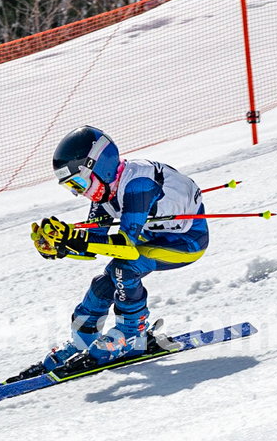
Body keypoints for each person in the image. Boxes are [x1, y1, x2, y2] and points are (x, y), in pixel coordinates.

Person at [16, 125, 209, 378]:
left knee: (124, 269)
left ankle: (132, 335)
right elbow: (93, 245)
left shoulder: (138, 184)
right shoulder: (104, 195)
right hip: (152, 238)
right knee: (103, 284)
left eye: (79, 182)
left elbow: (125, 247)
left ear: (99, 166)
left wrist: (77, 240)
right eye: (71, 186)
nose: (79, 192)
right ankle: (81, 342)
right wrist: (61, 246)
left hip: (186, 242)